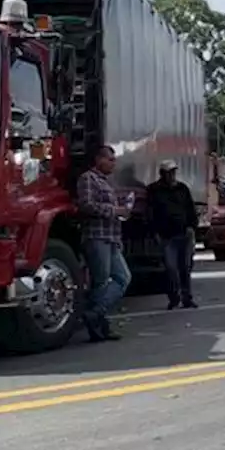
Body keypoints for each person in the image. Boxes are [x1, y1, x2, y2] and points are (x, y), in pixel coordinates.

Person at [75, 145, 130, 341]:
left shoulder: (107, 182)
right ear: (99, 159)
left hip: (111, 237)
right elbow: (86, 205)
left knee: (122, 277)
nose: (113, 164)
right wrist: (114, 211)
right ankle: (99, 326)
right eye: (110, 159)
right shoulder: (87, 179)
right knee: (100, 281)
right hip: (96, 237)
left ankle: (96, 312)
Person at [147, 159, 198, 310]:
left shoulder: (182, 188)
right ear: (162, 174)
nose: (172, 175)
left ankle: (187, 298)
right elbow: (150, 213)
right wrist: (155, 232)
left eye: (174, 172)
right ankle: (174, 298)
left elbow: (190, 209)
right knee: (171, 269)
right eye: (169, 173)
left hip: (184, 233)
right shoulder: (154, 190)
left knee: (185, 267)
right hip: (167, 236)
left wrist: (192, 227)